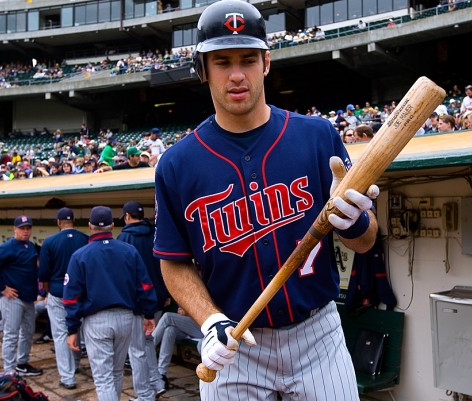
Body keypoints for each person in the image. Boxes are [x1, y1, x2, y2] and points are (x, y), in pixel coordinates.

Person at [153, 1, 378, 400]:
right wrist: (208, 322)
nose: (237, 75)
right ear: (203, 70)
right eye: (222, 61)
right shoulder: (177, 164)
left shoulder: (317, 137)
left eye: (248, 60)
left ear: (267, 63)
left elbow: (366, 242)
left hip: (317, 336)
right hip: (232, 344)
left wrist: (356, 223)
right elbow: (174, 264)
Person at [64, 206, 158, 401]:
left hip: (96, 321)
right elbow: (145, 286)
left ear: (90, 226)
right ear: (113, 225)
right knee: (115, 373)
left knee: (104, 378)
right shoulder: (128, 250)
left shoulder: (80, 255)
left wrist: (72, 328)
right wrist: (149, 314)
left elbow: (71, 297)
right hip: (126, 318)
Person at [117, 200, 169, 399]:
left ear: (127, 217)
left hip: (138, 303)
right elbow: (165, 265)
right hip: (157, 299)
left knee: (137, 349)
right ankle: (156, 382)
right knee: (147, 344)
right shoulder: (155, 232)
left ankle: (145, 394)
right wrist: (164, 294)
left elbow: (125, 276)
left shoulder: (123, 239)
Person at [0, 216, 43, 376]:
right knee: (11, 334)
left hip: (28, 298)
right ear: (15, 229)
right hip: (12, 298)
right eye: (22, 228)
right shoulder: (7, 246)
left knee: (28, 332)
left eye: (28, 228)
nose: (25, 231)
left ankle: (22, 364)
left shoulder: (30, 246)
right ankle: (9, 371)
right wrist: (2, 288)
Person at [38, 207, 89, 390]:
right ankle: (74, 366)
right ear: (73, 221)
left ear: (59, 222)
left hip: (59, 292)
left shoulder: (50, 241)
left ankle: (68, 377)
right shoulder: (84, 239)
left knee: (60, 335)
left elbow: (43, 274)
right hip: (80, 293)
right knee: (78, 329)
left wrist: (48, 292)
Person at [151, 306, 203, 390]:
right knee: (170, 330)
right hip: (189, 327)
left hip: (203, 327)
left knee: (167, 317)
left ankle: (147, 350)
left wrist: (188, 312)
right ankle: (161, 374)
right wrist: (181, 310)